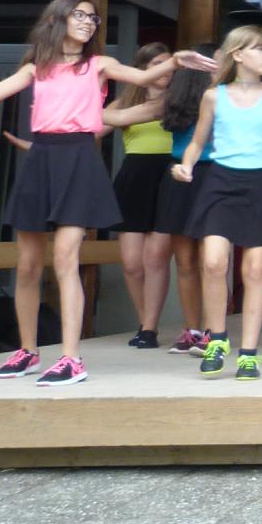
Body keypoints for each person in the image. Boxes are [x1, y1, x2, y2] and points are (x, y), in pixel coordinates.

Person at [0, 0, 207, 386]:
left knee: (65, 258)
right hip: (42, 159)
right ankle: (27, 351)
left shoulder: (99, 65)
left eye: (94, 17)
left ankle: (71, 358)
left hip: (78, 158)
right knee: (27, 264)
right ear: (57, 19)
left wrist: (176, 61)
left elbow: (141, 79)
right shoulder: (35, 67)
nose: (90, 22)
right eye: (81, 15)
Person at [172, 24, 262, 381]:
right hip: (220, 182)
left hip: (261, 184)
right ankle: (217, 339)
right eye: (260, 48)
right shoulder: (213, 96)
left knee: (254, 271)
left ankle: (248, 353)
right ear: (238, 54)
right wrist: (186, 165)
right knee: (213, 262)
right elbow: (197, 142)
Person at [101, 43, 174, 348]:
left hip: (169, 176)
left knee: (155, 259)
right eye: (157, 64)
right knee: (132, 263)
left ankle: (149, 329)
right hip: (134, 178)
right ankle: (145, 322)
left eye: (169, 63)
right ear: (143, 69)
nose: (165, 70)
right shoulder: (125, 102)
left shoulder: (179, 99)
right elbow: (89, 130)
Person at [151, 47, 219, 353]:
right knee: (186, 260)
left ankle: (213, 331)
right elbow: (119, 116)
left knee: (211, 260)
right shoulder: (173, 100)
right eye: (216, 60)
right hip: (180, 175)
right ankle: (192, 330)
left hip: (214, 175)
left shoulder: (227, 98)